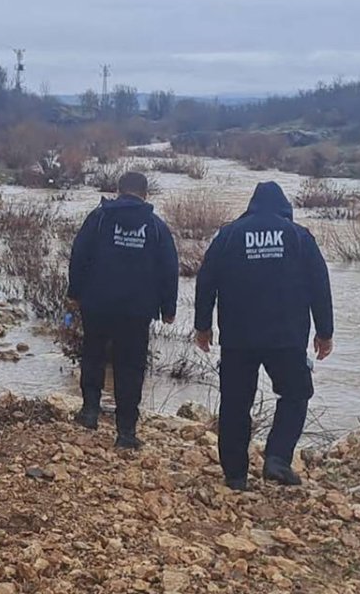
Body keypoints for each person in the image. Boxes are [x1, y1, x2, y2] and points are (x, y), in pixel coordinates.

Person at [193, 181, 334, 491]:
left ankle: (235, 476)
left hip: (237, 338)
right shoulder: (298, 237)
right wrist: (325, 332)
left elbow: (206, 281)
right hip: (286, 337)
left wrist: (202, 326)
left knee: (234, 403)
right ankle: (278, 458)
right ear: (284, 208)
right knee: (296, 394)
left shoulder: (229, 235)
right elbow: (319, 286)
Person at [67, 171, 179, 449]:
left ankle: (89, 413)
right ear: (145, 194)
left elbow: (79, 255)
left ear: (118, 190)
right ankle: (126, 432)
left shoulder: (100, 219)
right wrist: (168, 307)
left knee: (93, 355)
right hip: (137, 310)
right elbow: (169, 268)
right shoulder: (154, 226)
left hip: (97, 303)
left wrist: (75, 293)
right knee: (130, 367)